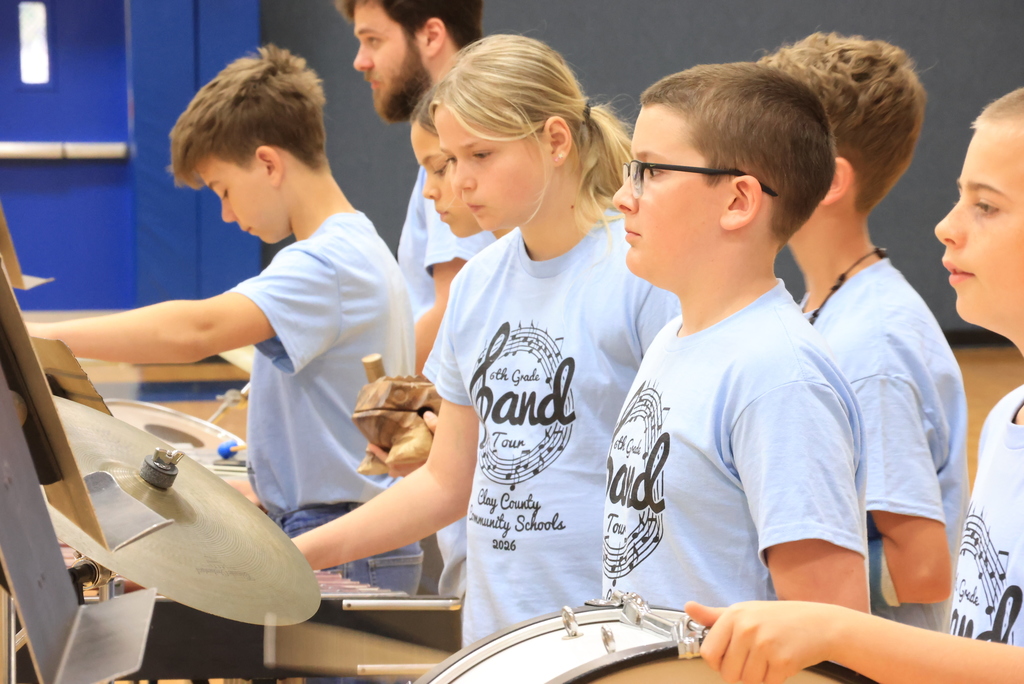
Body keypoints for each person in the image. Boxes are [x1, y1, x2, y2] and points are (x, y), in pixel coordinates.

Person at [294, 34, 679, 644]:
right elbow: (448, 482)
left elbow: (683, 481)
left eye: (480, 155)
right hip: (498, 639)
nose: (460, 181)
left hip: (616, 641)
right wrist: (295, 552)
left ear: (555, 141)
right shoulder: (477, 286)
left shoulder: (640, 275)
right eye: (449, 160)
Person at [28, 46, 423, 593]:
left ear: (267, 162)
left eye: (223, 190)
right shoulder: (348, 249)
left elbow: (197, 330)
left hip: (342, 536)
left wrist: (37, 336)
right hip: (331, 523)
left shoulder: (328, 262)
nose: (227, 214)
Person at [684, 86, 1024, 684]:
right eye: (958, 198)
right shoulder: (1007, 418)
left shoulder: (877, 345)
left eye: (987, 206)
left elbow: (923, 572)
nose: (945, 227)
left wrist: (828, 622)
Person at [603, 63, 868, 613]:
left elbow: (833, 637)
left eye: (650, 171)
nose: (622, 197)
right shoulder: (673, 337)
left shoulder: (779, 378)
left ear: (738, 201)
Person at [760, 33, 968, 630]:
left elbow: (923, 568)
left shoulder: (872, 346)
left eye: (764, 145)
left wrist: (771, 566)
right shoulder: (827, 307)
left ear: (827, 181)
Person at [338, 0, 491, 373]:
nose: (361, 60)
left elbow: (453, 309)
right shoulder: (442, 144)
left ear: (431, 35)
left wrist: (394, 402)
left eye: (373, 40)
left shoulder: (452, 151)